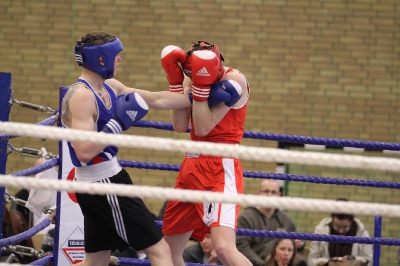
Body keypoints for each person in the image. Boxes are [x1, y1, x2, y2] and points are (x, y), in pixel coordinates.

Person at [61, 30, 204, 266]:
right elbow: (84, 151)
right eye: (117, 55)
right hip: (102, 184)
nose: (120, 59)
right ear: (101, 58)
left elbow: (155, 99)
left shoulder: (110, 86)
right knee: (161, 251)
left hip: (104, 180)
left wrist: (201, 95)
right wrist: (118, 123)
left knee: (96, 261)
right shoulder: (81, 96)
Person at [160, 41, 252, 266]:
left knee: (223, 247)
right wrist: (177, 83)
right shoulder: (192, 78)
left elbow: (202, 128)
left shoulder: (235, 81)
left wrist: (197, 90)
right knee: (167, 252)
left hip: (219, 167)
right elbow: (180, 126)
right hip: (191, 167)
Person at [236, 179, 306, 266]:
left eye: (273, 192)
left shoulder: (285, 218)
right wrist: (264, 264)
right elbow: (241, 246)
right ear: (258, 194)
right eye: (266, 191)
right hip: (256, 263)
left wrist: (300, 244)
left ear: (279, 195)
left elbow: (298, 240)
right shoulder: (246, 217)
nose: (269, 195)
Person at [307, 199, 373, 266]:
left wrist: (353, 259)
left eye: (345, 227)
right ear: (332, 219)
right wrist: (329, 261)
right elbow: (311, 261)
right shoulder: (320, 231)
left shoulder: (362, 232)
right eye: (337, 226)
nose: (341, 231)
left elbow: (369, 261)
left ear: (351, 221)